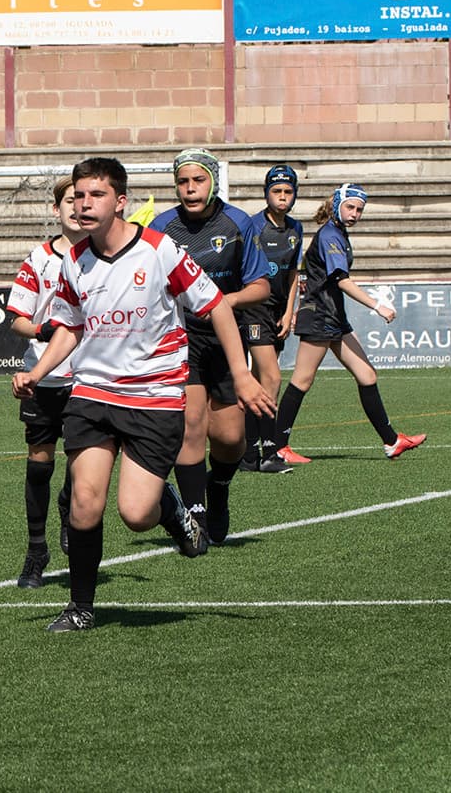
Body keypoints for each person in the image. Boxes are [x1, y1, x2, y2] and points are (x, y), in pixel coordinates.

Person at [12, 157, 275, 633]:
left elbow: (215, 307)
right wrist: (39, 372)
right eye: (78, 196)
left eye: (95, 195)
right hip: (92, 394)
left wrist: (241, 374)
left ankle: (171, 510)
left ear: (121, 202)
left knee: (135, 514)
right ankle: (80, 607)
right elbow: (70, 328)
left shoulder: (159, 251)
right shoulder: (72, 263)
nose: (84, 204)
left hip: (154, 397)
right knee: (84, 502)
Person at [149, 149, 270, 545]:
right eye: (182, 182)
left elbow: (261, 286)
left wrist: (222, 303)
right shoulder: (161, 227)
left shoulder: (237, 223)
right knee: (192, 424)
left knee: (232, 438)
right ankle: (195, 517)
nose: (189, 189)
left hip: (225, 336)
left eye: (197, 181)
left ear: (213, 182)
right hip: (181, 336)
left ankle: (217, 487)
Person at [272, 184, 425, 464]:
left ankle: (392, 442)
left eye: (359, 209)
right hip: (319, 316)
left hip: (333, 317)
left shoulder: (338, 233)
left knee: (367, 375)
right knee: (301, 381)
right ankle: (279, 447)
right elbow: (341, 280)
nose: (355, 213)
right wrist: (377, 305)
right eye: (350, 207)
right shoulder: (331, 235)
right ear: (336, 206)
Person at [6, 175, 83, 587]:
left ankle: (71, 518)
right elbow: (17, 317)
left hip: (89, 378)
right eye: (69, 200)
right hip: (44, 376)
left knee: (81, 463)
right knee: (40, 464)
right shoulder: (38, 259)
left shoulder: (102, 256)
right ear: (57, 210)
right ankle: (37, 550)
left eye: (83, 199)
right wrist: (41, 331)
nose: (76, 206)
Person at [238, 164, 306, 475]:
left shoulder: (295, 229)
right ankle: (269, 451)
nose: (282, 196)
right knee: (272, 378)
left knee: (261, 382)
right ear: (266, 193)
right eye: (276, 191)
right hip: (254, 309)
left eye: (287, 192)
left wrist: (290, 312)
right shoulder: (252, 226)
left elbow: (293, 274)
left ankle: (250, 454)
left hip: (278, 310)